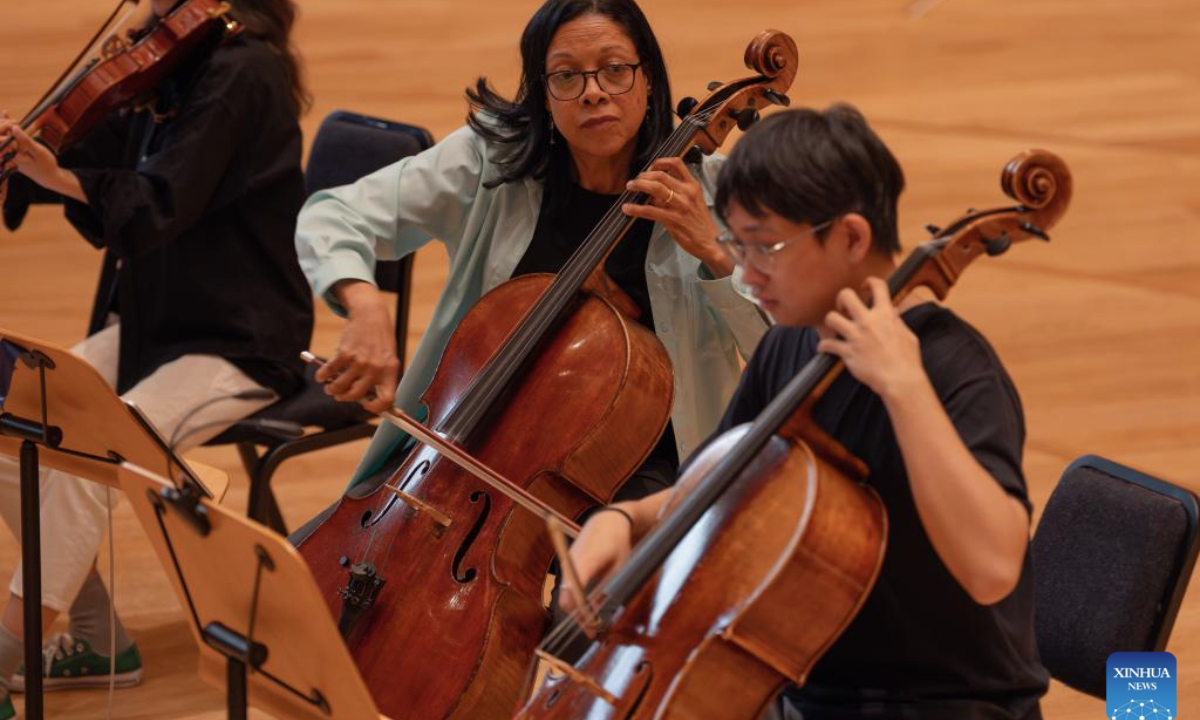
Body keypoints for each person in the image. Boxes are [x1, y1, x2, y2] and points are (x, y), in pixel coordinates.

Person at [558, 105, 1050, 720]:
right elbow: (718, 488)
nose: (746, 269)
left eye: (765, 247)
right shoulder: (790, 342)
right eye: (737, 242)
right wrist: (626, 519)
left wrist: (904, 388)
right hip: (798, 696)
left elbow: (993, 568)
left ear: (850, 237)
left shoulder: (954, 368)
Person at [294, 0, 766, 504]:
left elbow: (781, 347)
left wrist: (716, 254)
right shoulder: (492, 160)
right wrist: (364, 306)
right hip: (475, 438)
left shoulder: (714, 195)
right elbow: (333, 214)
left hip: (638, 464)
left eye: (614, 70)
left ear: (648, 79)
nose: (593, 93)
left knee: (599, 569)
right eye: (566, 76)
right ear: (542, 94)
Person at [0, 0, 314, 714]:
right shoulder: (163, 66)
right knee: (17, 422)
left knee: (93, 450)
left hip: (239, 338)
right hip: (157, 321)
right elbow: (97, 162)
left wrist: (53, 177)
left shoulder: (241, 73)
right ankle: (96, 633)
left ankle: (5, 660)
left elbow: (156, 204)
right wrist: (31, 155)